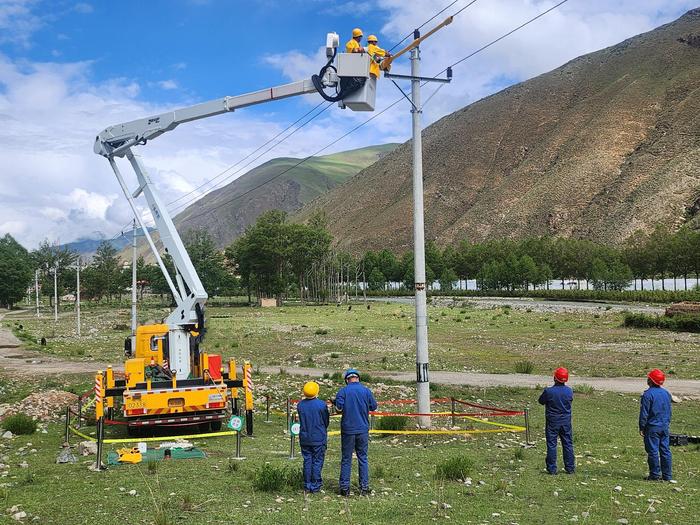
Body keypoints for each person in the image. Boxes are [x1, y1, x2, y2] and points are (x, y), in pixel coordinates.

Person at [334, 368, 377, 496]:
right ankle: (364, 487)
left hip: (348, 429)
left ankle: (344, 488)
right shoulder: (366, 391)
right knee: (363, 458)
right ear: (358, 378)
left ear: (347, 380)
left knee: (346, 459)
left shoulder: (343, 392)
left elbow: (338, 409)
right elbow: (373, 406)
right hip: (363, 429)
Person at [538, 367, 575, 475]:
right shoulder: (569, 391)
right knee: (568, 444)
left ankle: (552, 469)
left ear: (555, 378)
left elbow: (541, 401)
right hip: (566, 422)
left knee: (552, 444)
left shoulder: (549, 391)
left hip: (552, 421)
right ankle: (570, 468)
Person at [639, 369, 673, 481]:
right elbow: (669, 411)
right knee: (665, 450)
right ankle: (667, 476)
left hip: (652, 427)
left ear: (650, 380)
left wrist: (642, 427)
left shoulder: (648, 395)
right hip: (664, 426)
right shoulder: (666, 393)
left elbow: (644, 413)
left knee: (653, 451)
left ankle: (654, 475)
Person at [297, 381, 330, 493]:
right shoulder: (321, 405)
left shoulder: (300, 405)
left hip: (305, 438)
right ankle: (315, 486)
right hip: (318, 438)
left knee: (307, 460)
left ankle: (307, 485)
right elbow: (326, 421)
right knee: (317, 461)